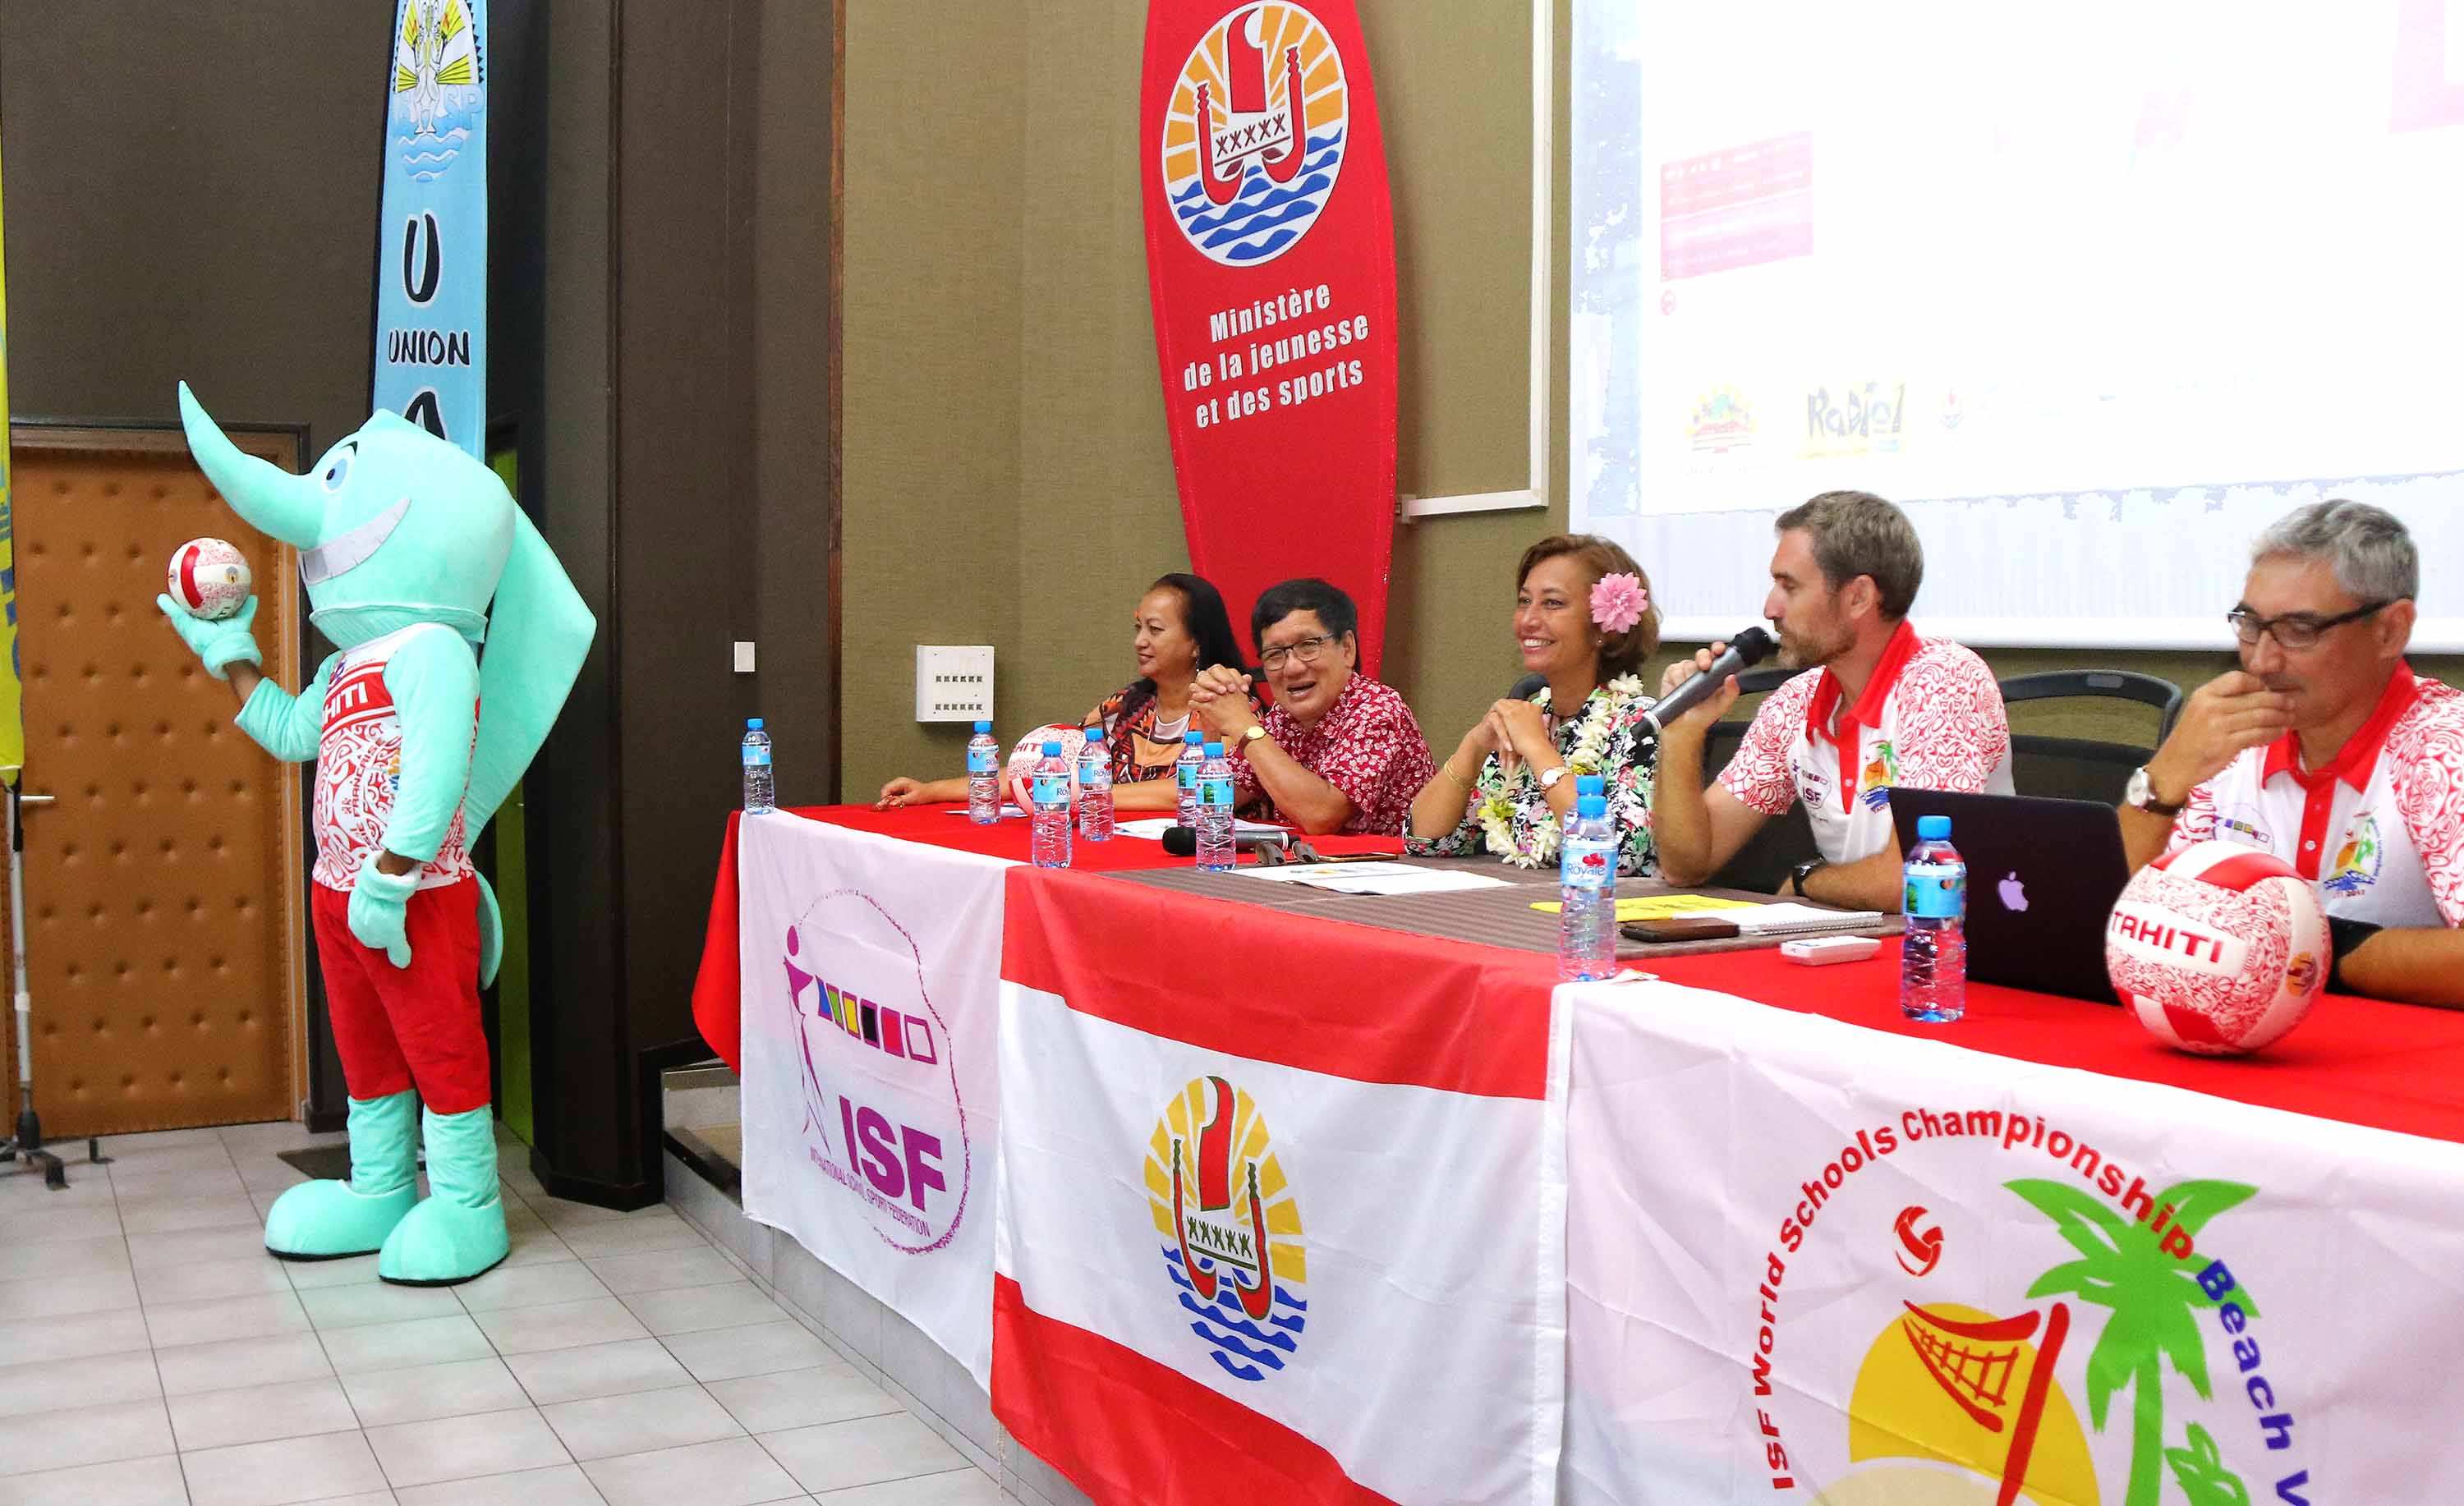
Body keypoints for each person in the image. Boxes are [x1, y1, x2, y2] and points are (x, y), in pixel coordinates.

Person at [2116, 502, 2464, 1006]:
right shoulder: (2228, 738)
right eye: (2250, 624)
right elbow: (2118, 920)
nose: (2262, 659)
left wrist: (2313, 949)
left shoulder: (2445, 748)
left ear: (2390, 629)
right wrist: (2165, 774)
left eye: (2300, 631)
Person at [1650, 491, 2012, 911]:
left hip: (1950, 955)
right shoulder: (1795, 702)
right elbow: (1688, 865)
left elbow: (1915, 879)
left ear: (1859, 596)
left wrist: (1809, 879)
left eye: (1789, 587)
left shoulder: (1944, 680)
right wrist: (1682, 734)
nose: (1770, 608)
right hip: (1851, 947)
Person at [876, 573, 1253, 813]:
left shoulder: (1233, 707)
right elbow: (1042, 771)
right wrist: (932, 790)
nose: (1139, 642)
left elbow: (1189, 793)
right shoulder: (1124, 708)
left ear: (1196, 643)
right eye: (1138, 628)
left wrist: (1079, 794)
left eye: (1155, 630)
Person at [1404, 535, 1662, 873]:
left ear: (1604, 628)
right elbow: (1426, 840)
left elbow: (1619, 851)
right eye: (1524, 601)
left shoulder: (1640, 723)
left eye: (1553, 603)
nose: (1528, 620)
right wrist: (1475, 745)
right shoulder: (1528, 715)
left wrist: (1538, 749)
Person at [1189, 577, 1436, 835]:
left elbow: (1322, 815)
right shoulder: (1282, 719)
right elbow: (1217, 798)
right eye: (1275, 654)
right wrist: (1212, 718)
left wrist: (1243, 726)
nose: (1293, 667)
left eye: (1308, 646)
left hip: (1385, 870)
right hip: (1301, 867)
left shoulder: (1378, 709)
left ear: (1348, 649)